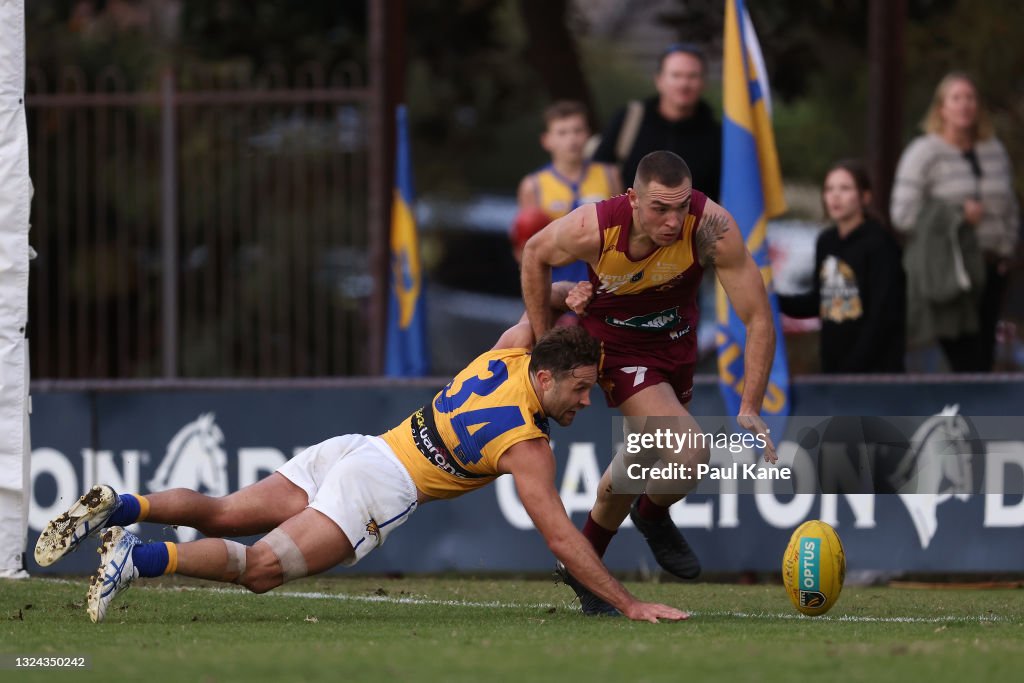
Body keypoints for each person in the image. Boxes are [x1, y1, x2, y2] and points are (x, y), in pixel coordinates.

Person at [35, 326, 687, 625]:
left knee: (224, 509)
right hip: (379, 485)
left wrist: (569, 300)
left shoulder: (511, 351)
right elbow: (562, 540)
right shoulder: (526, 443)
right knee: (260, 568)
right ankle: (138, 556)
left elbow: (534, 296)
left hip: (357, 447)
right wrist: (630, 602)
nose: (585, 400)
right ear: (546, 376)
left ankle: (122, 504)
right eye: (578, 388)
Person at [518, 150, 777, 614]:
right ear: (633, 199)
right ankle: (652, 515)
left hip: (676, 347)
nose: (674, 220)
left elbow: (758, 318)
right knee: (690, 451)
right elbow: (535, 254)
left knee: (642, 454)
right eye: (660, 208)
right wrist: (545, 349)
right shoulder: (594, 227)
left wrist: (750, 404)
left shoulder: (712, 226)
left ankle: (588, 558)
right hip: (615, 349)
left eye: (681, 206)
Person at [890, 71, 1019, 372]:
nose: (964, 105)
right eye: (956, 98)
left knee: (984, 355)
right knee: (963, 358)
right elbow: (903, 214)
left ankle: (978, 417)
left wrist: (1007, 249)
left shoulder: (994, 151)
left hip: (991, 268)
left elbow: (1009, 206)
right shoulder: (924, 153)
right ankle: (954, 415)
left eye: (970, 98)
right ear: (941, 108)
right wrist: (956, 216)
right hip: (949, 272)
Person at [778, 160, 906, 373]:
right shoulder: (826, 242)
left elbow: (883, 315)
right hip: (833, 367)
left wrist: (855, 365)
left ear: (865, 197)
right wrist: (773, 299)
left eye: (845, 188)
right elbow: (821, 300)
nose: (835, 196)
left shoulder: (881, 244)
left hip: (876, 372)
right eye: (829, 189)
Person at [591, 43, 721, 202]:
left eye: (692, 76)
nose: (684, 84)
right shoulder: (629, 120)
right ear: (659, 80)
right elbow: (596, 174)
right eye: (676, 75)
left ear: (704, 83)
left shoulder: (717, 136)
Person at [514, 100, 622, 282]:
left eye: (577, 130)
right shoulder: (533, 185)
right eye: (562, 132)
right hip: (556, 289)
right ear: (546, 140)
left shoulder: (610, 175)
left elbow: (623, 233)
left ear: (588, 134)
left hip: (604, 285)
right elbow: (525, 252)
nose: (571, 139)